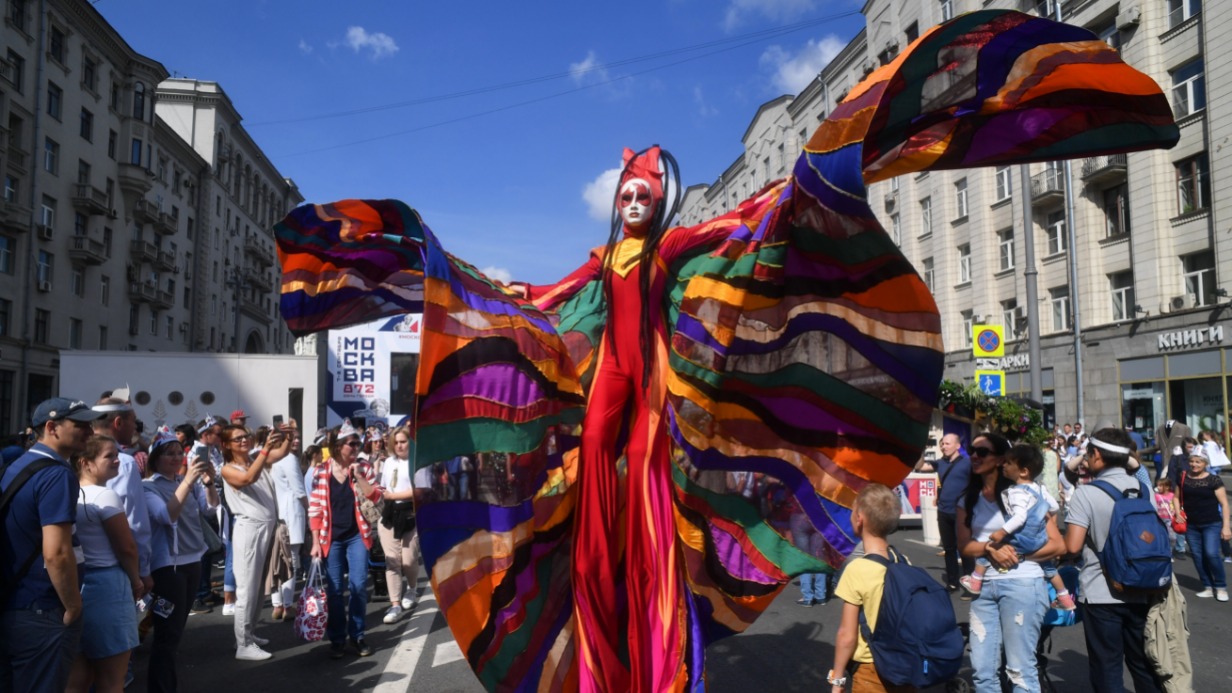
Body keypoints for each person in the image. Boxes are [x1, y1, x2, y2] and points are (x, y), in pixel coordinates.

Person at [1, 398, 105, 693]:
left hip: (14, 602)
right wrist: (73, 605)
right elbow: (57, 552)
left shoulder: (17, 465)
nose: (90, 432)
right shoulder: (56, 474)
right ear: (51, 427)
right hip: (42, 607)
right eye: (81, 425)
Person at [958, 434, 1066, 693]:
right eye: (972, 450)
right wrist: (989, 548)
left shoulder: (1025, 495)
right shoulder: (967, 499)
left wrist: (1019, 556)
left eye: (982, 452)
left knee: (1020, 671)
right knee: (983, 673)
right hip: (983, 589)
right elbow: (964, 547)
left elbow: (1058, 545)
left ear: (1001, 460)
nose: (974, 455)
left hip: (1022, 584)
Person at [1064, 428, 1165, 692]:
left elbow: (1072, 546)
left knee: (1107, 666)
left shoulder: (1087, 493)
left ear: (1096, 454)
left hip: (1100, 592)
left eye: (1088, 454)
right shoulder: (1144, 490)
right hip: (1143, 587)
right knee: (1143, 664)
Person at [142, 429, 219, 689]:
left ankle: (165, 684)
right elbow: (166, 516)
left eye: (179, 453)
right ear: (155, 459)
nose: (176, 458)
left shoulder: (185, 482)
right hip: (168, 569)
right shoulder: (148, 487)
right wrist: (188, 481)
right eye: (168, 454)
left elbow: (210, 508)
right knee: (167, 634)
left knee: (175, 633)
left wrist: (208, 482)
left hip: (192, 562)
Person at [66, 435, 141, 693]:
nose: (117, 460)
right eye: (109, 455)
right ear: (86, 463)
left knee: (78, 678)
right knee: (112, 681)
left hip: (76, 583)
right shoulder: (105, 495)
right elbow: (126, 547)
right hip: (107, 586)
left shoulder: (68, 493)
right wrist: (136, 579)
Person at [958, 445, 1074, 611]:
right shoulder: (1040, 488)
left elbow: (1020, 517)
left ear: (1023, 471)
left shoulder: (1017, 492)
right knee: (1048, 566)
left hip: (1022, 539)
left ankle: (976, 579)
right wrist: (1046, 517)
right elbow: (1054, 506)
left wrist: (1001, 532)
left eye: (1009, 463)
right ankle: (1064, 596)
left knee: (991, 547)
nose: (1004, 465)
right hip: (1039, 539)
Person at [828, 483, 911, 693]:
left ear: (860, 519)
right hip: (904, 665)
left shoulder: (857, 569)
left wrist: (837, 680)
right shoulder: (902, 561)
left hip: (871, 670)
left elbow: (847, 635)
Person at [308, 422, 382, 658]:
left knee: (359, 586)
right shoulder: (321, 471)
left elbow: (376, 495)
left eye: (358, 443)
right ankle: (338, 638)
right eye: (352, 443)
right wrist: (315, 542)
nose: (356, 447)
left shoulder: (363, 467)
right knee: (335, 590)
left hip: (357, 535)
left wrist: (358, 476)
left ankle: (358, 636)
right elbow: (315, 509)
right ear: (339, 446)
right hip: (332, 538)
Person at [220, 424, 291, 660]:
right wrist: (265, 450)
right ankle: (243, 644)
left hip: (266, 528)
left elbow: (280, 453)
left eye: (246, 436)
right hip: (249, 530)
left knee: (259, 587)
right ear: (227, 445)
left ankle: (248, 634)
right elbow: (248, 479)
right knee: (247, 589)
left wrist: (288, 436)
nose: (244, 441)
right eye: (237, 439)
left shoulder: (254, 459)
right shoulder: (228, 469)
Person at [92, 398, 154, 611]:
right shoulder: (123, 462)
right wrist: (142, 571)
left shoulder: (75, 455)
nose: (136, 428)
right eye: (134, 421)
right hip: (114, 566)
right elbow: (135, 524)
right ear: (118, 423)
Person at [377, 426, 420, 624]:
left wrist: (392, 495)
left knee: (409, 560)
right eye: (397, 442)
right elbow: (383, 486)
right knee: (392, 560)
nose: (400, 445)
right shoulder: (388, 462)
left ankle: (412, 589)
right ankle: (394, 604)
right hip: (389, 513)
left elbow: (417, 491)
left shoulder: (416, 462)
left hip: (410, 513)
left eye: (403, 441)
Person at [1177, 448, 1231, 600]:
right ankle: (1207, 585)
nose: (1194, 464)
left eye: (1198, 462)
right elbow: (1176, 497)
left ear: (1205, 463)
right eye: (1192, 461)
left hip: (1212, 523)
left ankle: (1220, 587)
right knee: (1198, 556)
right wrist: (1176, 513)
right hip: (1191, 524)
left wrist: (1226, 526)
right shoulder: (1182, 477)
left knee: (1212, 554)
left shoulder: (1213, 480)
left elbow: (1225, 504)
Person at [269, 422, 308, 622]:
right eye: (292, 436)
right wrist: (310, 509)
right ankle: (286, 605)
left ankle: (278, 604)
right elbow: (300, 491)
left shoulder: (269, 459)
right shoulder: (290, 459)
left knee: (277, 560)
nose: (296, 440)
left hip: (276, 515)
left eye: (297, 436)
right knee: (291, 561)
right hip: (291, 514)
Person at [934, 433, 971, 591]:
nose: (944, 446)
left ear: (957, 446)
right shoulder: (940, 463)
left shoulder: (967, 463)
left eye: (947, 444)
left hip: (960, 512)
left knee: (964, 548)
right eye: (942, 444)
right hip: (943, 511)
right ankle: (952, 582)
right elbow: (921, 466)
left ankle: (970, 584)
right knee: (949, 549)